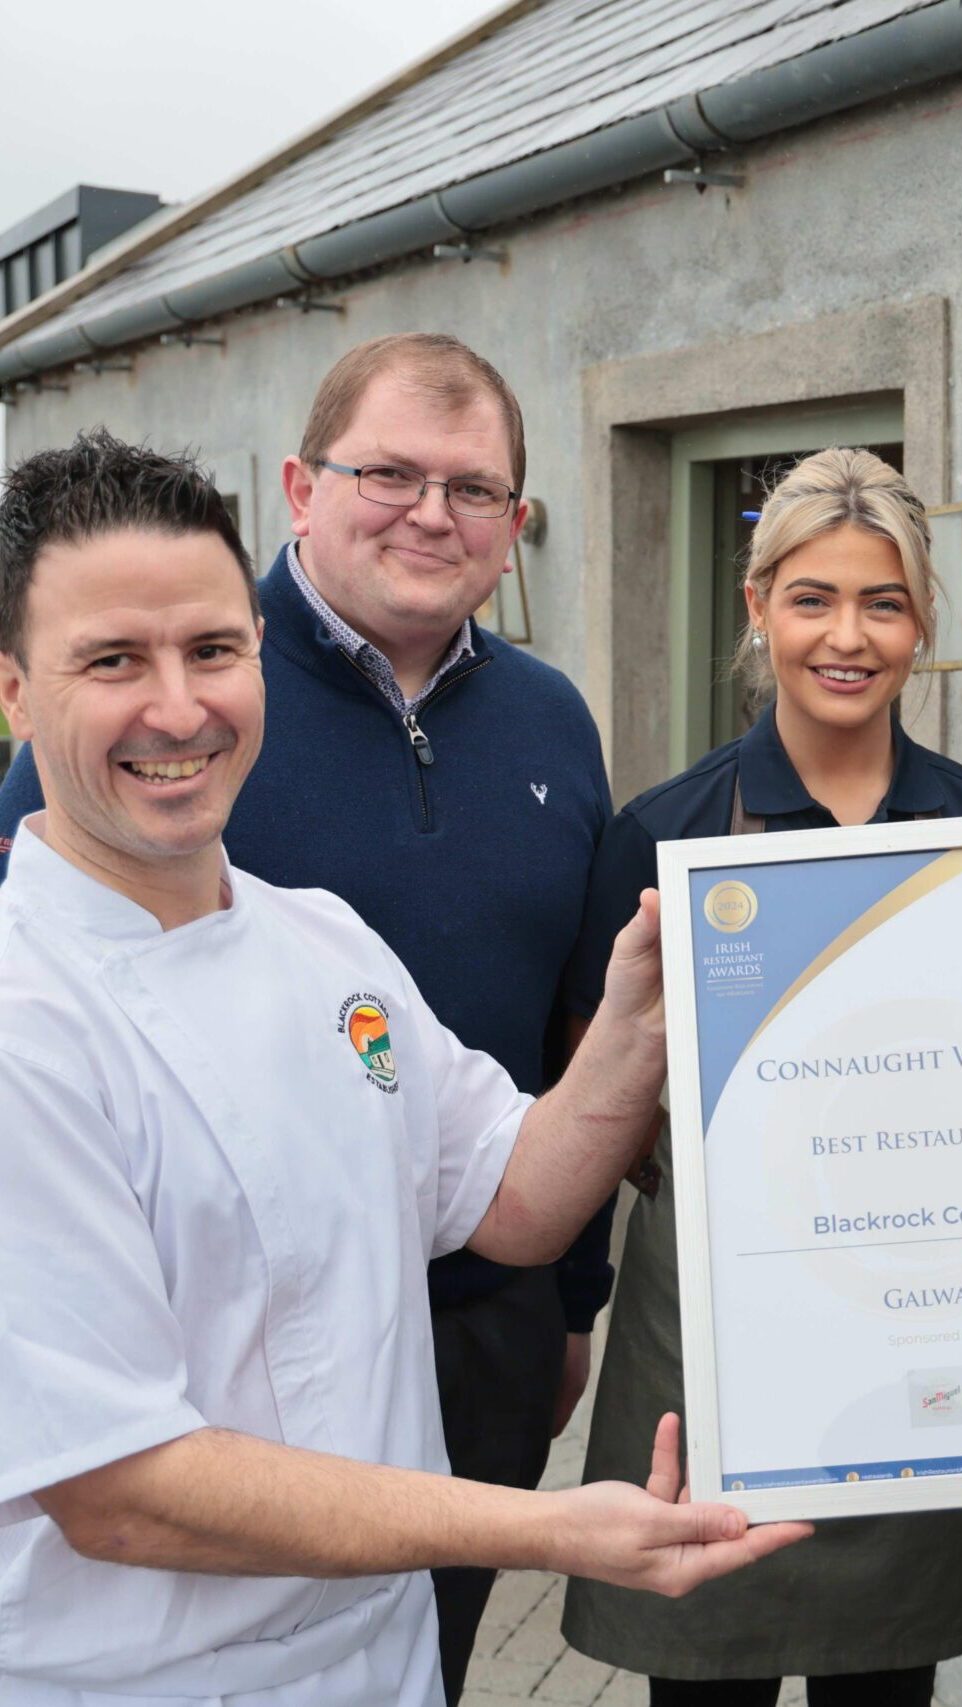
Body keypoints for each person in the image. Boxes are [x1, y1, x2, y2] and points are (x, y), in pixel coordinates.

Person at [0, 431, 808, 1706]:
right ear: (12, 693)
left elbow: (512, 1197)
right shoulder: (24, 1022)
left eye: (213, 650)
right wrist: (545, 1530)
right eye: (112, 661)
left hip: (378, 1665)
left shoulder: (320, 943)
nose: (177, 707)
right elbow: (121, 1490)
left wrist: (645, 1016)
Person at [560, 448, 962, 1705]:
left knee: (887, 1681)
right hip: (709, 1336)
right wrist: (570, 1309)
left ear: (922, 626)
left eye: (883, 602)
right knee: (704, 1671)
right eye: (813, 597)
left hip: (913, 1320)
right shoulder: (663, 834)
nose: (848, 635)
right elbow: (595, 1100)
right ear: (758, 607)